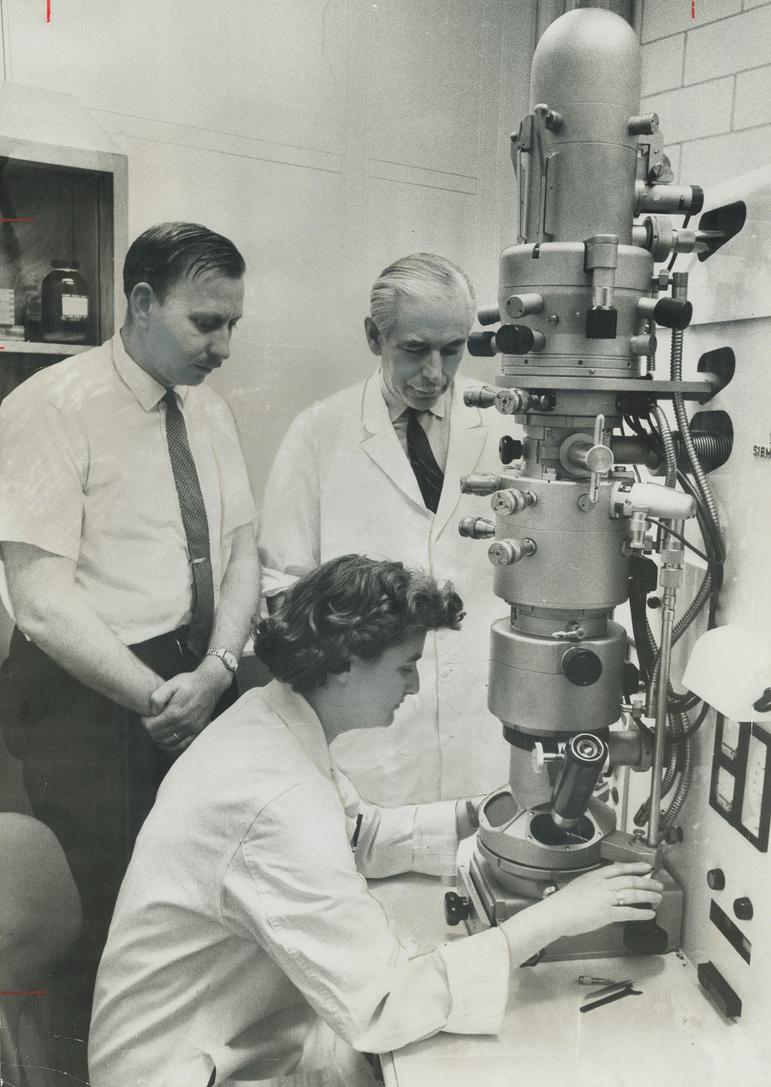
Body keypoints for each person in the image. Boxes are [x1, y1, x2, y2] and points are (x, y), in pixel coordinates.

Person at [88, 554, 663, 1087]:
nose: (414, 687)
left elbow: (354, 836)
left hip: (228, 1034)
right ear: (343, 665)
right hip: (181, 1073)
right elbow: (385, 1003)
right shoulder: (276, 801)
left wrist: (472, 817)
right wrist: (556, 917)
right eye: (405, 667)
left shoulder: (267, 720)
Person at [0, 222, 260, 1043]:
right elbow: (39, 598)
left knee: (198, 900)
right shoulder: (49, 406)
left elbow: (245, 548)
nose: (223, 346)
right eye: (205, 323)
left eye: (232, 325)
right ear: (142, 302)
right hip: (90, 696)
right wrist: (157, 696)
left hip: (196, 674)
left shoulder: (209, 409)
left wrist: (218, 669)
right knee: (105, 915)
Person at [258, 253, 518, 805]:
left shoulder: (505, 428)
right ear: (374, 337)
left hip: (484, 721)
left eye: (453, 349)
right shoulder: (317, 434)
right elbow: (283, 583)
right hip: (370, 733)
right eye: (415, 350)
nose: (436, 374)